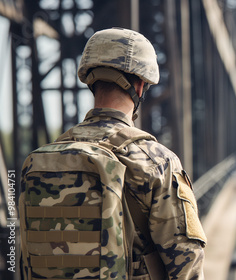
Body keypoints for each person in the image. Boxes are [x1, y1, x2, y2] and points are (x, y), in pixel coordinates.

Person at [64, 27, 206, 279]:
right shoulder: (158, 161)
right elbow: (186, 263)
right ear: (140, 86)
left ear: (91, 82)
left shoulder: (40, 159)